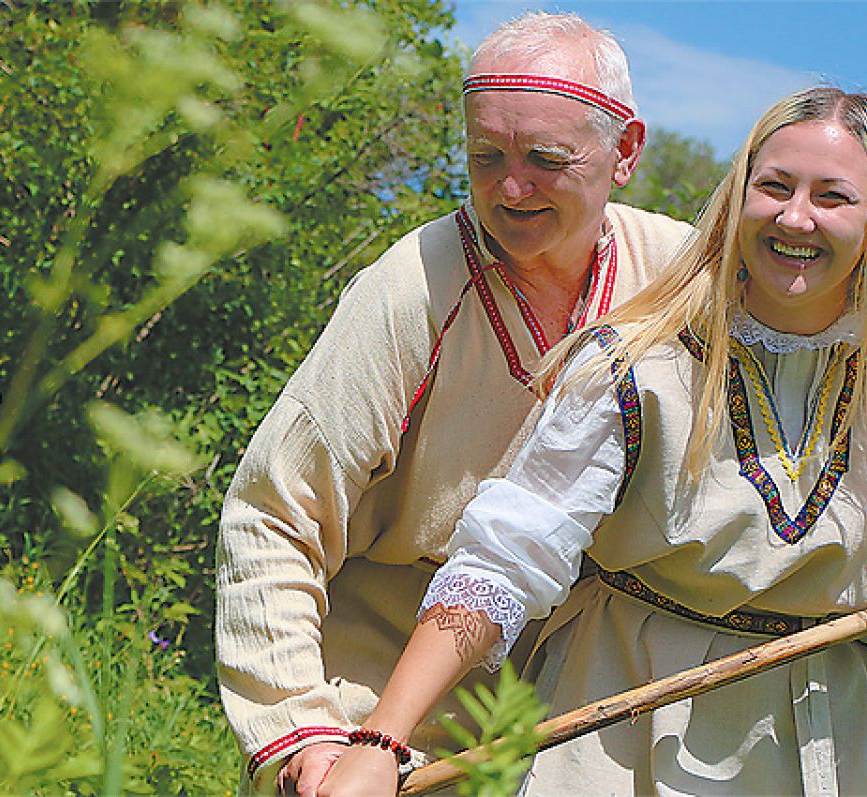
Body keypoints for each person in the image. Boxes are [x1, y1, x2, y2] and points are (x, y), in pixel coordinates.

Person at [317, 87, 867, 796]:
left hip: (829, 739)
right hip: (622, 723)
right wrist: (380, 741)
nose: (795, 218)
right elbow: (506, 558)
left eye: (832, 197)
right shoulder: (635, 364)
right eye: (774, 187)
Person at [214, 12, 696, 794]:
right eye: (485, 156)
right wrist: (300, 731)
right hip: (373, 686)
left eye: (545, 159)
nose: (511, 188)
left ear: (626, 151)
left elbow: (849, 380)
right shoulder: (413, 288)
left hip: (580, 703)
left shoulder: (681, 280)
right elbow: (274, 512)